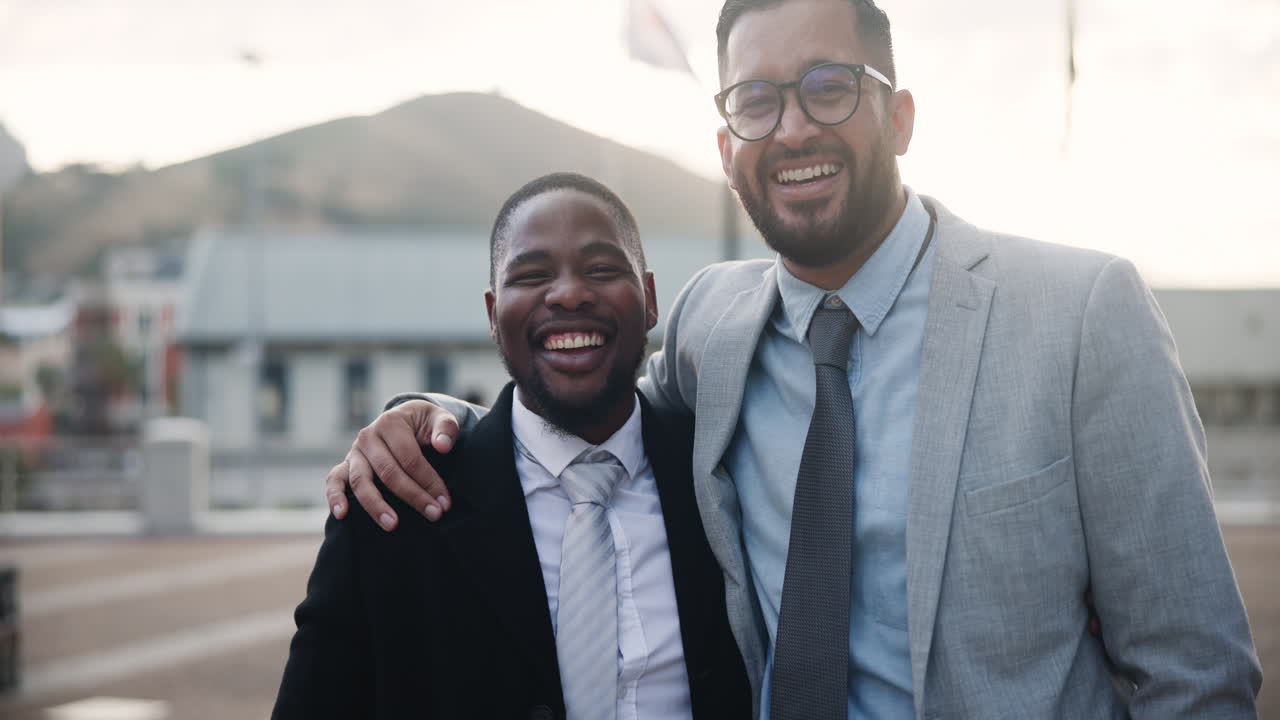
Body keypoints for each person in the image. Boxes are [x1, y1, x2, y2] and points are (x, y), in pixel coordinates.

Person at [325, 0, 1263, 717]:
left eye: (829, 87)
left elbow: (1193, 671)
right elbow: (582, 408)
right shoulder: (709, 327)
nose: (794, 129)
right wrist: (434, 421)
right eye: (757, 101)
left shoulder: (1082, 312)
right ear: (726, 146)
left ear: (899, 117)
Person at [274, 173, 750, 719]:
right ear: (493, 316)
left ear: (649, 300)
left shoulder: (721, 473)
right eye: (531, 275)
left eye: (601, 269)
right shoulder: (392, 502)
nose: (569, 293)